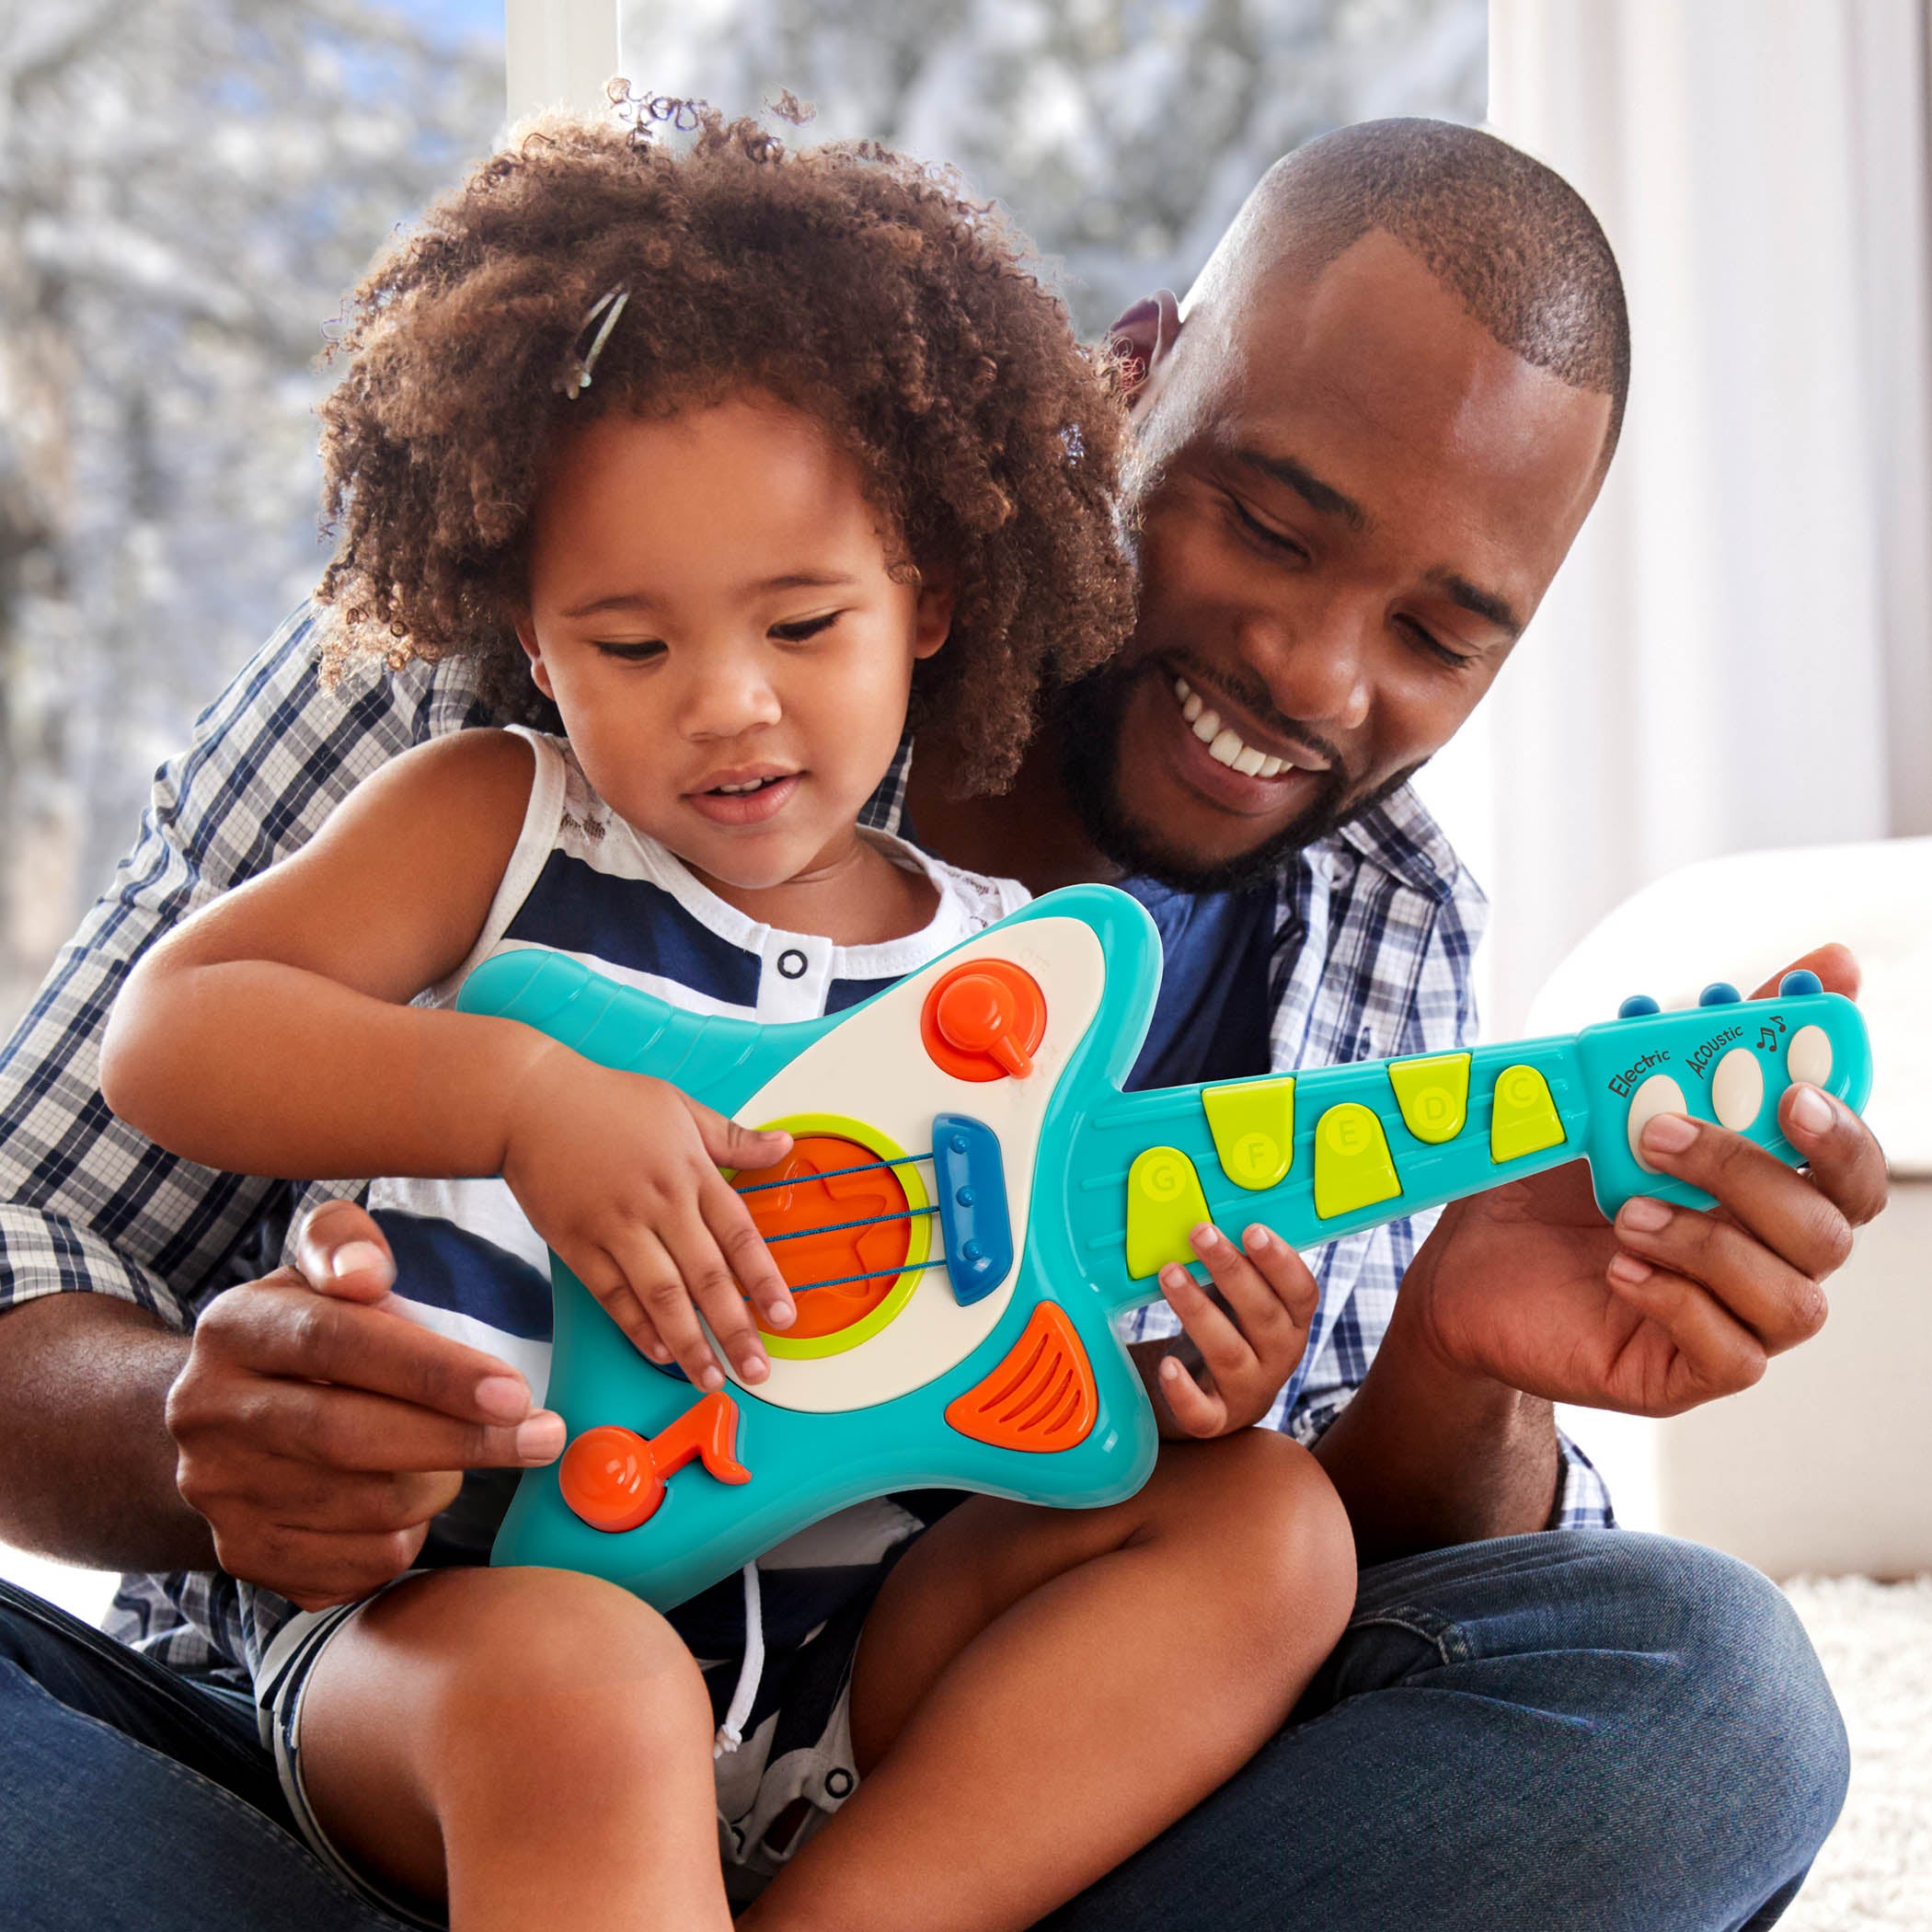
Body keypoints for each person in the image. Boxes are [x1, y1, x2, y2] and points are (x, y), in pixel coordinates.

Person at [0, 116, 1882, 1931]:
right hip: (384, 1729)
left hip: (875, 1778)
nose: (1319, 673)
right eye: (1273, 524)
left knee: (1700, 1698)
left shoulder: (1349, 929)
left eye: (1444, 636)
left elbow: (1307, 1614)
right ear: (1128, 377)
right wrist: (197, 1435)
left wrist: (1455, 1363)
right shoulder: (543, 657)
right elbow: (45, 1203)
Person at [90, 107, 1354, 1932]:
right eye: (632, 646)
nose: (728, 708)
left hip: (856, 1683)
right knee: (581, 1695)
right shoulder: (496, 824)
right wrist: (518, 1097)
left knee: (1273, 1530)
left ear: (924, 593)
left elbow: (1002, 1364)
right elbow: (173, 1034)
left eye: (802, 622)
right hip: (463, 1643)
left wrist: (1177, 1386)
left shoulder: (1013, 981)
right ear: (531, 639)